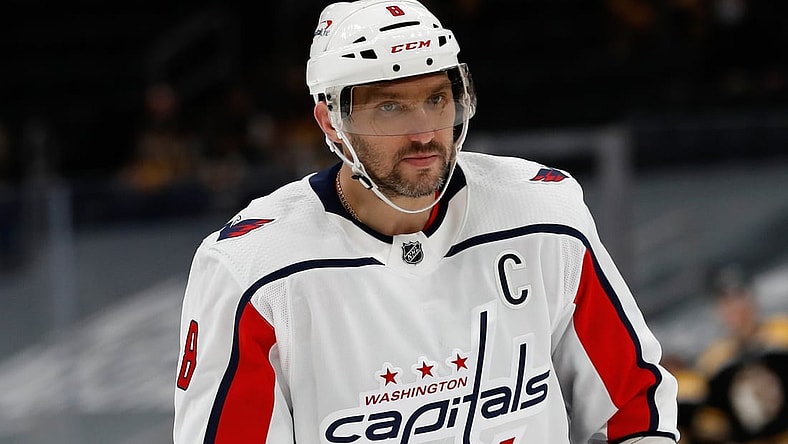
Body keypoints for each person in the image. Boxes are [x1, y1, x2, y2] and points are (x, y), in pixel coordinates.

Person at [173, 1, 680, 442]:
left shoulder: (543, 215)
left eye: (436, 99)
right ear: (330, 120)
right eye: (390, 107)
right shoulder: (252, 271)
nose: (423, 133)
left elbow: (632, 409)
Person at [691, 264, 788, 443]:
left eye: (739, 296)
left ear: (752, 297)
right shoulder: (713, 363)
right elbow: (710, 424)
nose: (735, 307)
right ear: (718, 310)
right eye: (726, 301)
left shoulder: (783, 335)